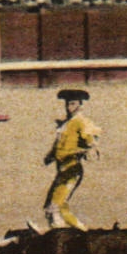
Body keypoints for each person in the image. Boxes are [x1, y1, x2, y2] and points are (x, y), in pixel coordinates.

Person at [43, 89, 101, 230]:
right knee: (56, 208)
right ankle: (82, 231)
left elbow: (90, 141)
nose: (69, 107)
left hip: (72, 170)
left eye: (73, 103)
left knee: (54, 208)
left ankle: (60, 235)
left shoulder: (81, 122)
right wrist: (50, 156)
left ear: (80, 105)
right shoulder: (66, 123)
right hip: (62, 170)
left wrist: (90, 149)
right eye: (67, 104)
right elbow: (59, 145)